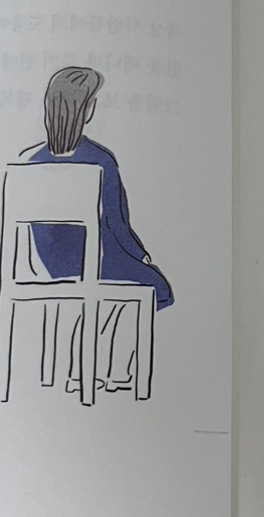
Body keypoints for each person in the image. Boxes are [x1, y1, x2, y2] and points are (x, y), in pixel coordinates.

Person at [21, 66, 173, 392]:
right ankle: (113, 370)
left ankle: (81, 369)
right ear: (85, 107)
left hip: (52, 264)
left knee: (111, 293)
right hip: (98, 260)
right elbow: (117, 222)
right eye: (92, 101)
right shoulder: (100, 158)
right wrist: (140, 254)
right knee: (154, 285)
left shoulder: (31, 162)